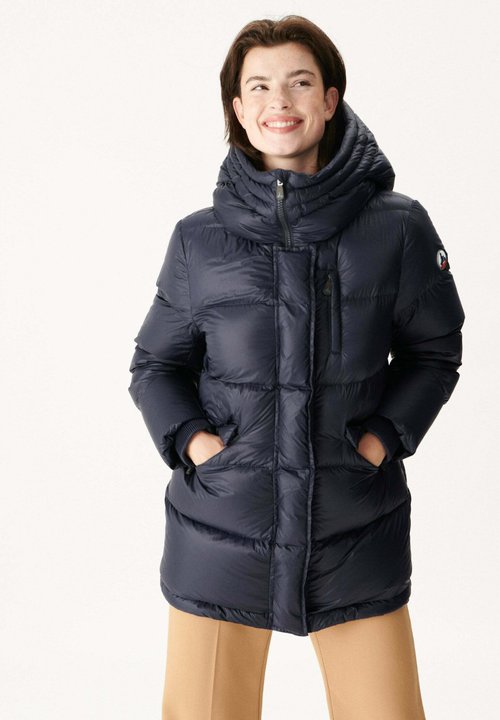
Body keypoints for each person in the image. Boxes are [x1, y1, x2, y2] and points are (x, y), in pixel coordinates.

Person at [128, 15, 465, 720]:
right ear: (238, 108)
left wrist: (380, 440)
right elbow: (155, 365)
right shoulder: (198, 241)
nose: (279, 100)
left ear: (331, 99)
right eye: (259, 86)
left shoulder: (398, 228)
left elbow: (434, 352)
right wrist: (198, 446)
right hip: (219, 534)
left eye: (299, 82)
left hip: (354, 530)